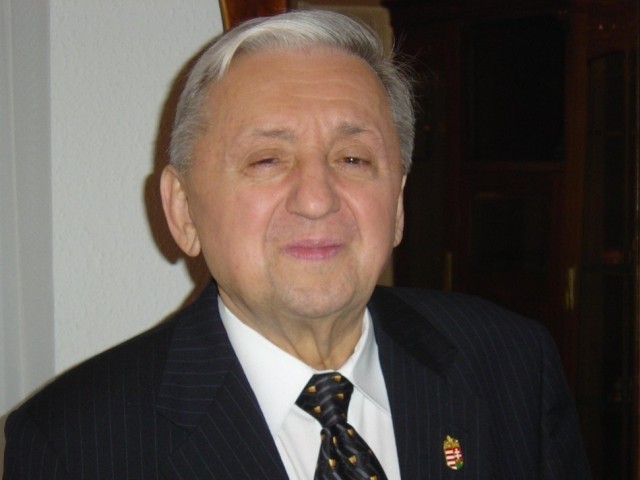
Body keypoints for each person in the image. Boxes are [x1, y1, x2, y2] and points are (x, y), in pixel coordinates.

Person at [3, 9, 589, 479]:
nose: (316, 199)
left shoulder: (513, 364)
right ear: (183, 210)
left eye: (353, 159)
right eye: (267, 160)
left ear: (398, 204)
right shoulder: (75, 443)